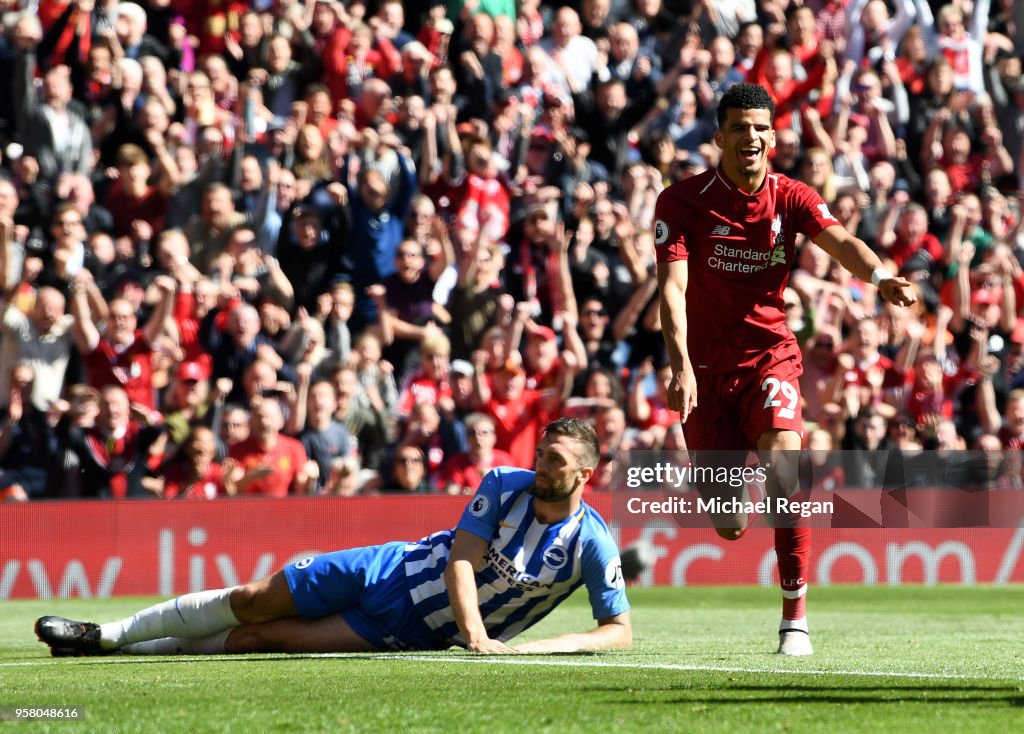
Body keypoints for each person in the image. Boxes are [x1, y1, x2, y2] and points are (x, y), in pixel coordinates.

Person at [655, 83, 916, 656]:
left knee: (783, 467)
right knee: (729, 523)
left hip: (769, 355)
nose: (750, 137)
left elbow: (841, 240)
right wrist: (680, 368)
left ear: (772, 136)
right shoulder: (681, 202)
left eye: (759, 128)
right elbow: (671, 291)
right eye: (739, 128)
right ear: (719, 137)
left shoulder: (792, 196)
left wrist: (879, 278)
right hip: (702, 369)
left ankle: (794, 617)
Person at [35, 418, 631, 656]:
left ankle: (121, 651)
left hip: (405, 630)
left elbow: (619, 632)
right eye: (541, 453)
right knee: (250, 598)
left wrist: (536, 648)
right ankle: (105, 633)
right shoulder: (505, 483)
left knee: (256, 639)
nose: (541, 466)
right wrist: (478, 634)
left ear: (584, 474)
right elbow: (460, 563)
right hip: (390, 568)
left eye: (554, 460)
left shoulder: (592, 543)